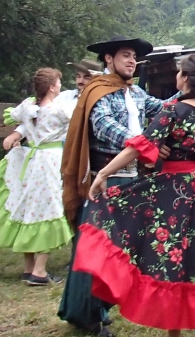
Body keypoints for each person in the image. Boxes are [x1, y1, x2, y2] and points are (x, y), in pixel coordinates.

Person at [74, 53, 195, 337]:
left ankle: (174, 332)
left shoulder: (173, 111)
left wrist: (102, 174)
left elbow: (137, 148)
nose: (176, 76)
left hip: (174, 194)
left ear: (185, 78)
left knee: (173, 261)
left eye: (180, 72)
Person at [59, 35, 172, 337]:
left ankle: (100, 307)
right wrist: (145, 145)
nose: (132, 61)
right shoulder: (98, 91)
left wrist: (194, 94)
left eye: (134, 56)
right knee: (97, 250)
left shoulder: (136, 92)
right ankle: (88, 314)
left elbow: (163, 108)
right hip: (105, 180)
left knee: (123, 250)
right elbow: (105, 127)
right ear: (108, 59)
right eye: (125, 55)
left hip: (133, 180)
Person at [0, 68, 74, 285]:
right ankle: (40, 271)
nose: (60, 86)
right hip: (50, 162)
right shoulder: (59, 110)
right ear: (52, 87)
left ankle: (29, 268)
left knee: (28, 209)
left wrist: (16, 134)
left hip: (31, 161)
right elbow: (77, 124)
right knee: (49, 209)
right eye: (58, 82)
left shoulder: (28, 106)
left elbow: (19, 120)